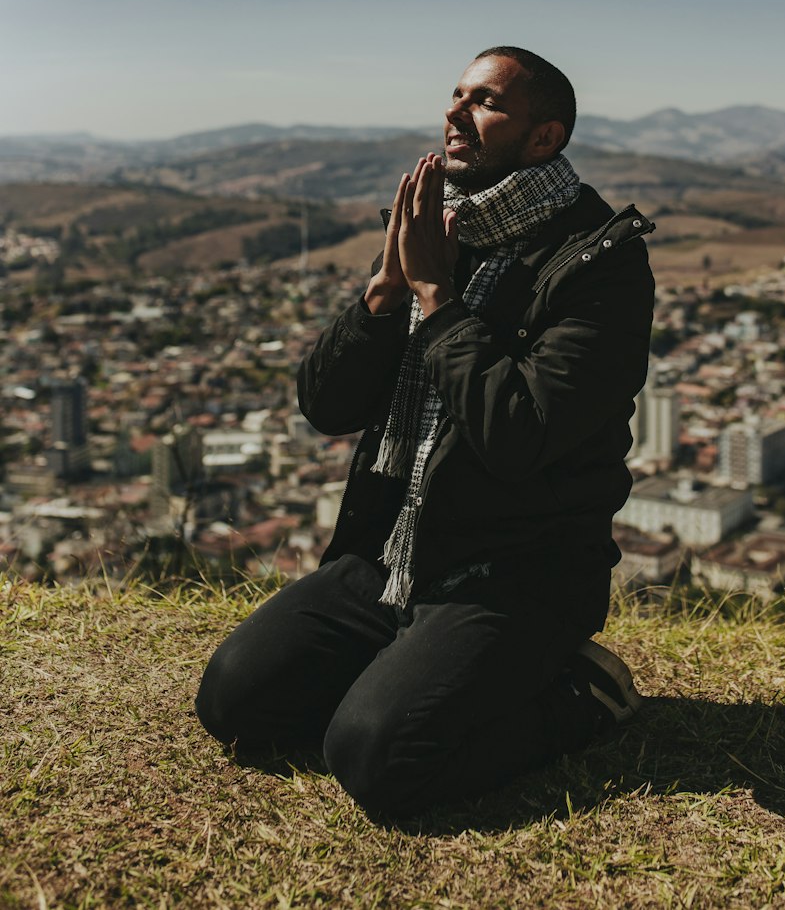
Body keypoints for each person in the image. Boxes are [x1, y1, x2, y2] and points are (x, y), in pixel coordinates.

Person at [196, 46, 655, 819]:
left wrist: (438, 299)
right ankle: (409, 672)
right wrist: (383, 293)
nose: (454, 112)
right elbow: (327, 408)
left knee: (376, 760)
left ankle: (580, 695)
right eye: (456, 94)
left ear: (544, 138)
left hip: (516, 573)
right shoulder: (443, 227)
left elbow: (521, 436)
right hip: (390, 552)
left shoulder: (597, 261)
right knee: (235, 704)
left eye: (485, 102)